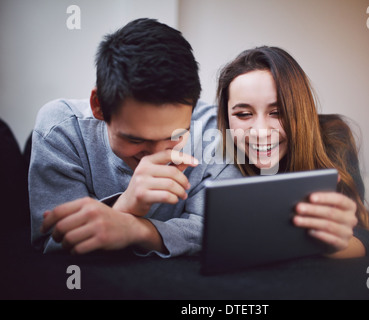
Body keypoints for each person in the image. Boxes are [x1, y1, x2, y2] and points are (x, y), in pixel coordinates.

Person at [29, 18, 236, 257]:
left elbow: (221, 232)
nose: (157, 155)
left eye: (175, 136)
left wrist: (135, 228)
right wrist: (126, 204)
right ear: (99, 106)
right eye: (136, 140)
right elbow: (52, 245)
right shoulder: (61, 128)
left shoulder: (217, 130)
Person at [216, 46, 369, 258]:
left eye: (278, 112)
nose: (261, 132)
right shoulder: (217, 153)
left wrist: (335, 242)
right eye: (244, 114)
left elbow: (362, 234)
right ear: (226, 117)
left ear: (299, 109)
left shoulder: (335, 138)